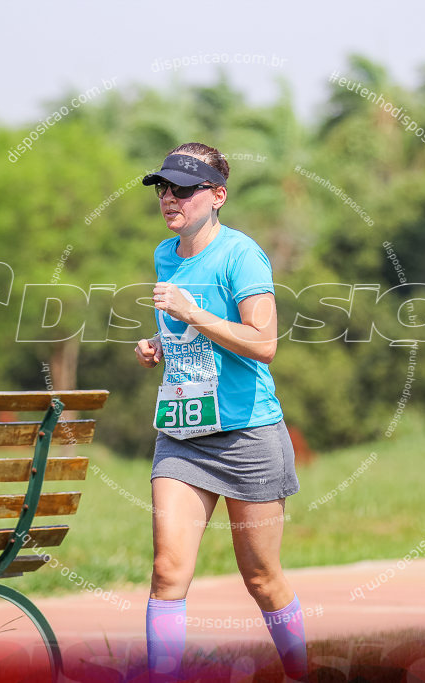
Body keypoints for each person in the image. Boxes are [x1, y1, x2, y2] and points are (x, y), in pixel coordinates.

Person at [135, 143, 307, 682]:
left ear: (217, 195)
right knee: (168, 571)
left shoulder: (242, 256)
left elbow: (264, 342)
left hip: (248, 433)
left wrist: (193, 312)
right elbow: (193, 333)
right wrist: (162, 342)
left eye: (183, 188)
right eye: (163, 187)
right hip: (184, 433)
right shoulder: (167, 254)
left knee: (261, 577)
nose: (170, 198)